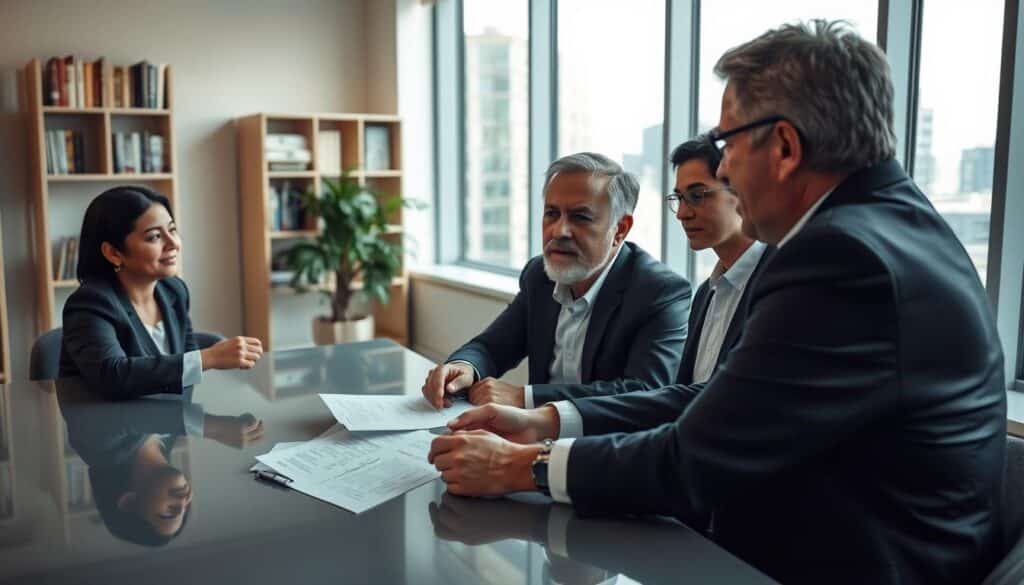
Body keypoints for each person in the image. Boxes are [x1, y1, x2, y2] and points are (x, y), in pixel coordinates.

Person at [428, 20, 1006, 585]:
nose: (723, 165)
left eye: (728, 143)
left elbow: (694, 460)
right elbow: (719, 401)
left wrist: (520, 465)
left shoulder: (841, 256)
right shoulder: (891, 223)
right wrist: (544, 420)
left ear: (783, 144)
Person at [488, 138, 774, 407]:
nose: (683, 213)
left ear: (742, 190)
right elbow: (685, 403)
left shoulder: (771, 284)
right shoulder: (708, 294)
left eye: (697, 196)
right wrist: (463, 368)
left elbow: (650, 393)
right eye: (679, 198)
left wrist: (526, 400)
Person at [421, 153, 691, 410]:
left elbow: (644, 393)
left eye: (580, 217)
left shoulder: (659, 291)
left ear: (619, 229)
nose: (559, 231)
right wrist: (464, 367)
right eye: (551, 213)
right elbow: (492, 347)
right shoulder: (540, 275)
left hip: (606, 448)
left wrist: (524, 398)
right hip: (531, 438)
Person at [59, 185, 263, 398]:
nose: (173, 243)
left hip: (168, 423)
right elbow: (112, 377)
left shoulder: (173, 290)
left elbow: (186, 360)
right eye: (155, 236)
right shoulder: (91, 303)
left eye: (172, 230)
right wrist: (208, 358)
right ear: (114, 252)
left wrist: (202, 425)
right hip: (108, 427)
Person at [56, 377, 264, 546]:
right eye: (185, 509)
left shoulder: (98, 447)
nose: (183, 502)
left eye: (170, 512)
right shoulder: (170, 434)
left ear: (129, 501)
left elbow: (125, 415)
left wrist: (213, 427)